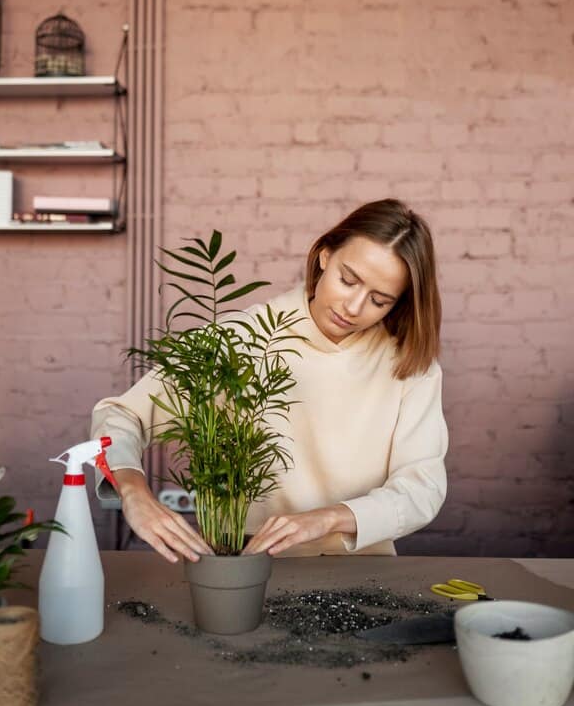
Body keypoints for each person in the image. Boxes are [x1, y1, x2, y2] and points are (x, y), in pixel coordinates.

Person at [91, 198, 448, 563]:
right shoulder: (242, 338)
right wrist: (134, 491)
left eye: (379, 300)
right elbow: (120, 416)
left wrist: (328, 519)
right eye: (348, 280)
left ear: (400, 302)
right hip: (247, 570)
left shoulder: (409, 364)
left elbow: (422, 488)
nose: (353, 307)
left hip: (364, 568)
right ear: (324, 256)